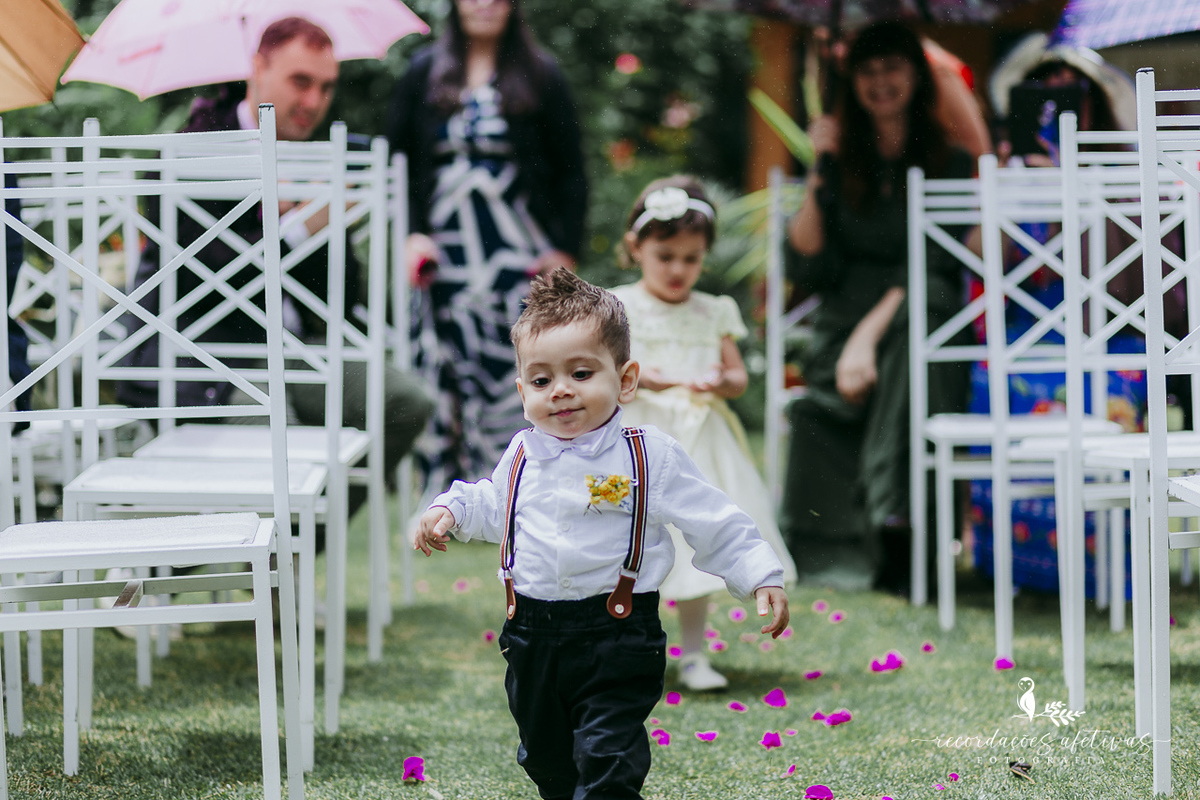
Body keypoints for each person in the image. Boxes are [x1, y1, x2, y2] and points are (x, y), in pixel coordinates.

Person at [413, 268, 789, 800]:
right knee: (545, 757)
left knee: (607, 755)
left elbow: (712, 517)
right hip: (532, 635)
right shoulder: (521, 452)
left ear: (625, 379)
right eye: (542, 381)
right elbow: (497, 507)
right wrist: (454, 508)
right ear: (523, 392)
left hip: (618, 633)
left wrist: (758, 574)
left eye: (582, 373)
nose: (561, 391)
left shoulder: (646, 453)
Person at [118, 17, 434, 521]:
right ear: (258, 68)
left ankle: (301, 549)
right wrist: (297, 227)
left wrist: (326, 226)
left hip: (296, 351)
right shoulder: (190, 151)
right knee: (278, 437)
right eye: (300, 81)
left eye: (326, 86)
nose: (314, 102)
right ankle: (223, 564)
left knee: (404, 401)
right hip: (208, 361)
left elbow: (339, 298)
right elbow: (202, 288)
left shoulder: (317, 159)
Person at [782, 21, 974, 594]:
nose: (881, 81)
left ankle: (894, 520)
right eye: (868, 70)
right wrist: (821, 163)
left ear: (917, 75)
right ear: (852, 82)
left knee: (925, 321)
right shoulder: (842, 159)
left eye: (893, 66)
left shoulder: (951, 162)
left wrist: (869, 336)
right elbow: (805, 261)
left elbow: (938, 261)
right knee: (915, 351)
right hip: (846, 326)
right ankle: (897, 526)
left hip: (917, 314)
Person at [386, 0, 588, 491]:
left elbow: (571, 169)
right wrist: (411, 233)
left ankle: (513, 488)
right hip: (444, 252)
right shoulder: (424, 71)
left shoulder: (541, 74)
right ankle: (442, 493)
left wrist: (564, 248)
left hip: (515, 251)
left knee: (512, 361)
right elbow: (399, 162)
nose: (484, 4)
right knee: (442, 361)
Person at [610, 175, 796, 691]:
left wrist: (720, 380)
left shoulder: (713, 310)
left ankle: (693, 655)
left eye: (690, 259)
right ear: (636, 248)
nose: (677, 269)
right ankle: (620, 647)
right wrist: (662, 377)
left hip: (699, 442)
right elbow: (608, 367)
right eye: (665, 255)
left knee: (697, 542)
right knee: (623, 544)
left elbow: (736, 377)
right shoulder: (618, 306)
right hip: (637, 441)